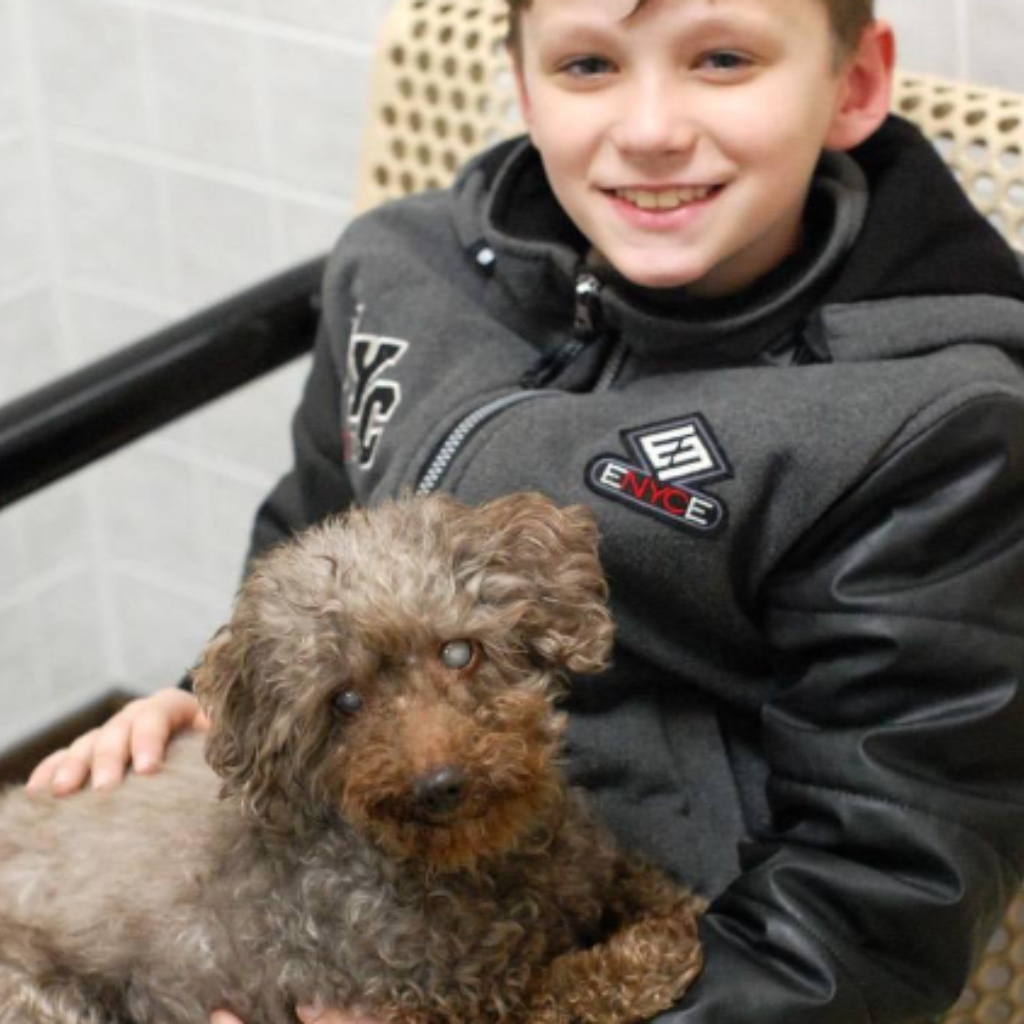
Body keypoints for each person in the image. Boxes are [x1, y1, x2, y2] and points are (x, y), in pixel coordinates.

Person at [27, 0, 1024, 1023]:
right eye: (588, 64)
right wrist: (210, 701)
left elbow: (880, 896)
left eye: (721, 58)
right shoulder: (398, 268)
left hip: (657, 962)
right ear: (521, 85)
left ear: (853, 83)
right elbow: (306, 537)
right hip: (332, 900)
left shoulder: (930, 425)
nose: (647, 129)